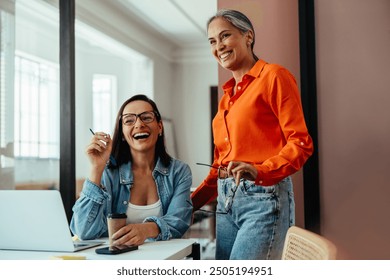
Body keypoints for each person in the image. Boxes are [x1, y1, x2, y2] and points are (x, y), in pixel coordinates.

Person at [191, 9, 314, 260]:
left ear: (248, 36)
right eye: (212, 42)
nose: (219, 46)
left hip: (263, 199)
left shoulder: (273, 77)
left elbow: (300, 144)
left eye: (225, 36)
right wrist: (189, 204)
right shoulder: (226, 98)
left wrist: (260, 171)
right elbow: (220, 166)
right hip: (226, 202)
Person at [71, 94, 192, 246]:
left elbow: (179, 220)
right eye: (129, 120)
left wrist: (146, 229)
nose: (139, 124)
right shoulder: (107, 173)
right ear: (122, 133)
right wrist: (96, 168)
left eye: (146, 117)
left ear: (160, 126)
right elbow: (83, 231)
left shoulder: (179, 171)